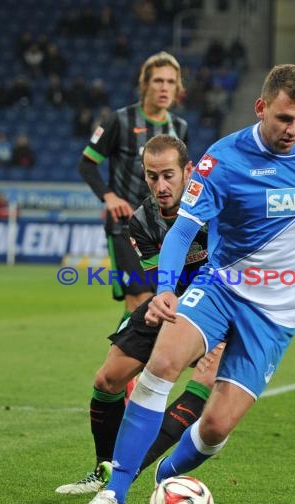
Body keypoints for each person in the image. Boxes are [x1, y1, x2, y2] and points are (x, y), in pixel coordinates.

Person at [70, 64, 295, 504]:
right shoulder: (223, 160)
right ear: (261, 108)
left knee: (214, 428)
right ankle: (113, 495)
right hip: (220, 287)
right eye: (283, 119)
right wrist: (165, 291)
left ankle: (168, 478)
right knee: (162, 364)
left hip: (277, 312)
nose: (293, 130)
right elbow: (182, 233)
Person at [57, 134, 222, 495]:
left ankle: (125, 476)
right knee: (107, 379)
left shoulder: (217, 204)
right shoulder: (143, 221)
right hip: (170, 300)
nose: (160, 186)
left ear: (188, 171)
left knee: (206, 379)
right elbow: (165, 278)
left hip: (219, 307)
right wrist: (161, 306)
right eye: (152, 177)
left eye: (168, 175)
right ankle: (104, 469)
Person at [78, 51, 188, 329]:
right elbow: (87, 164)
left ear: (178, 88)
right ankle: (122, 372)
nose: (164, 88)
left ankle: (137, 367)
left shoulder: (180, 127)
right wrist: (109, 196)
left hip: (164, 228)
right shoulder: (119, 120)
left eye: (171, 82)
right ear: (145, 85)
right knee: (139, 299)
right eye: (158, 81)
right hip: (125, 227)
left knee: (160, 300)